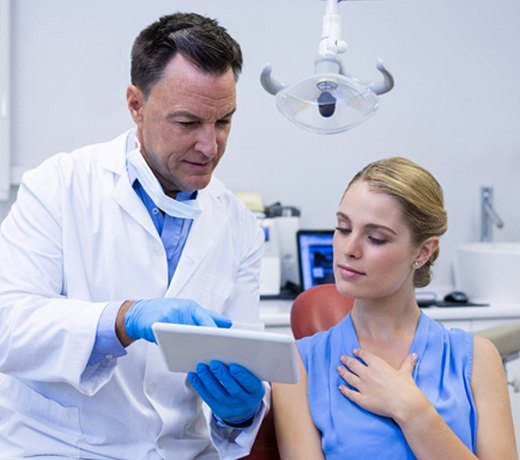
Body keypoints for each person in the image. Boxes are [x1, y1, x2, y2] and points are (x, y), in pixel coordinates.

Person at [0, 12, 269, 459]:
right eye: (187, 123)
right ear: (136, 105)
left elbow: (245, 365)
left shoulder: (238, 225)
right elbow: (7, 326)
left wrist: (239, 411)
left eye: (223, 122)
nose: (210, 146)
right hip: (62, 448)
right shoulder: (59, 185)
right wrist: (123, 319)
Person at [273, 157, 517, 459]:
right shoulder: (297, 365)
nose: (349, 249)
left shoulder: (478, 358)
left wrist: (413, 411)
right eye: (343, 228)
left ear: (423, 251)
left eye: (375, 238)